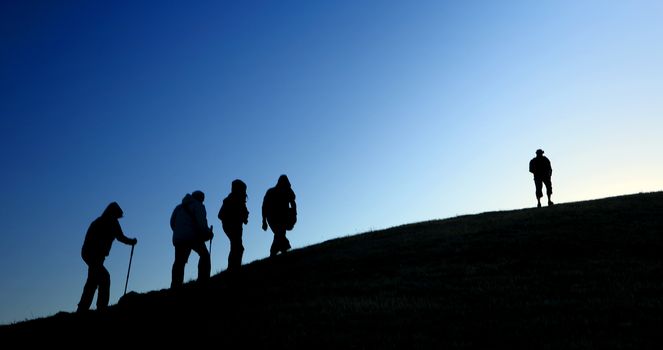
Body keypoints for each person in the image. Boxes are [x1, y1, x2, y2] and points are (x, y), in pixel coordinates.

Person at [77, 202, 137, 312]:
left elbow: (120, 237)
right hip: (93, 254)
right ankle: (101, 307)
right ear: (114, 213)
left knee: (93, 281)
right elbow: (120, 237)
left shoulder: (102, 222)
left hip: (92, 254)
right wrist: (131, 241)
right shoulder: (106, 222)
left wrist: (130, 241)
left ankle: (83, 308)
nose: (118, 218)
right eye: (117, 215)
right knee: (104, 278)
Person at [170, 190, 213, 288]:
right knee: (204, 255)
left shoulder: (178, 208)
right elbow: (201, 224)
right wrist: (208, 234)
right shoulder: (199, 206)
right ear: (201, 198)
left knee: (179, 262)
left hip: (179, 238)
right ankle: (203, 280)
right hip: (193, 237)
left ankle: (176, 286)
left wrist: (179, 232)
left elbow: (172, 223)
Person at [262, 174, 297, 257]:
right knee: (280, 233)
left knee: (280, 234)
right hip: (272, 217)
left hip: (284, 216)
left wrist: (294, 214)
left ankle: (279, 251)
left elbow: (293, 202)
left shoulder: (288, 191)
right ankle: (278, 250)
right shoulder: (271, 192)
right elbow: (264, 207)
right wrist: (264, 221)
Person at [218, 179, 249, 272]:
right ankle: (233, 268)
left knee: (236, 246)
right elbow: (220, 215)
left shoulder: (239, 200)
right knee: (238, 247)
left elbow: (243, 212)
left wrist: (244, 217)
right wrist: (234, 218)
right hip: (232, 226)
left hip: (237, 226)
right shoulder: (230, 200)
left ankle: (234, 267)